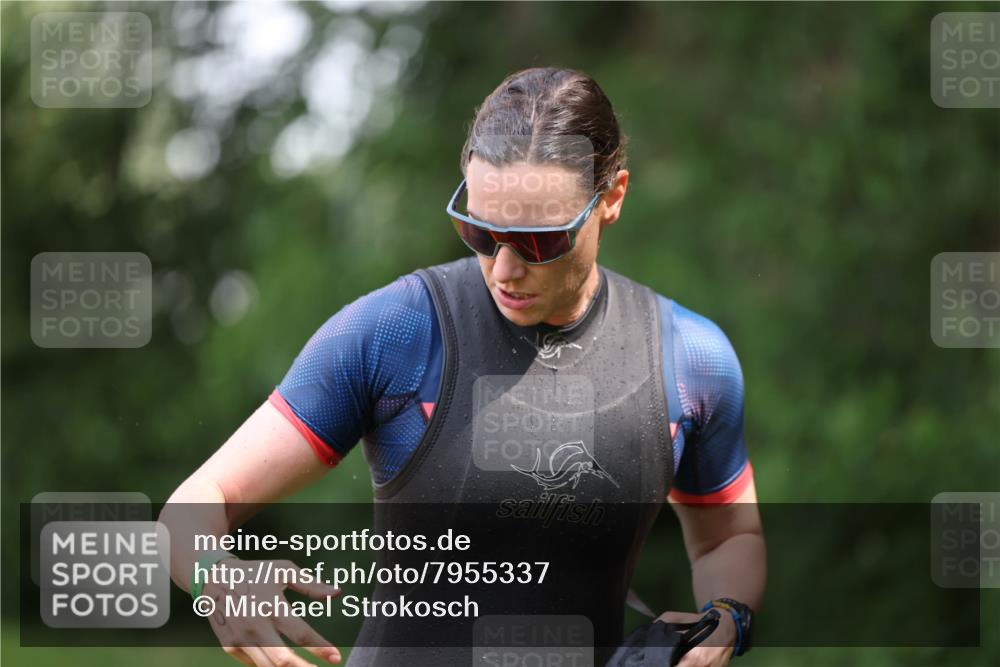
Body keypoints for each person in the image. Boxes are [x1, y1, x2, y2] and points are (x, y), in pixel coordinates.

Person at [161, 66, 765, 667]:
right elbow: (193, 503)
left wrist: (730, 618)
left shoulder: (690, 359)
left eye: (538, 241)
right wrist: (218, 574)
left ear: (611, 199)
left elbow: (728, 538)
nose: (503, 269)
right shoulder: (396, 332)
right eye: (479, 232)